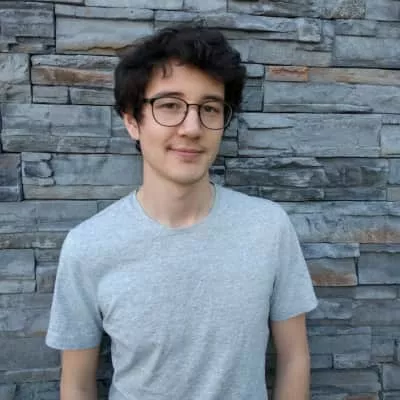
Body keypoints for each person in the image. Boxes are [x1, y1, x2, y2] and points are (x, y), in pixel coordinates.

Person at [46, 24, 318, 400]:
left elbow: (294, 358)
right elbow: (76, 384)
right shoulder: (88, 246)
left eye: (210, 108)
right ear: (132, 121)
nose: (192, 128)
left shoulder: (268, 228)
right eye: (170, 105)